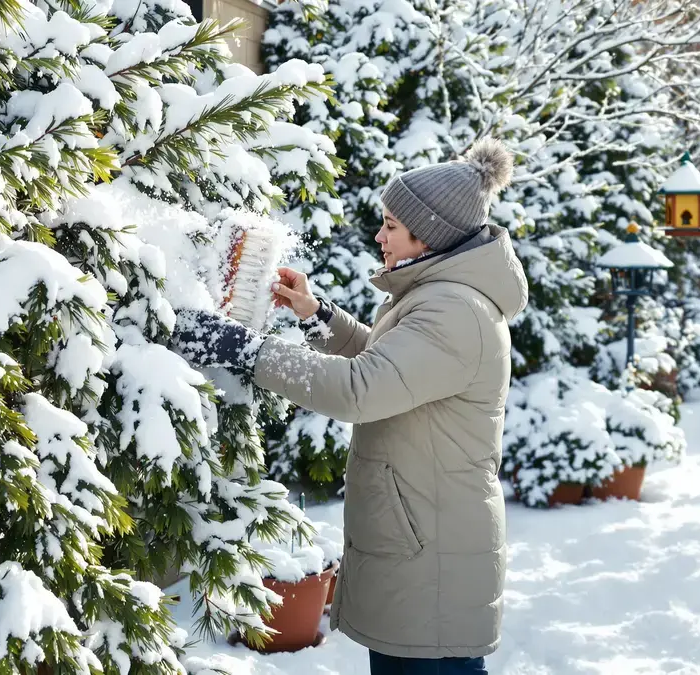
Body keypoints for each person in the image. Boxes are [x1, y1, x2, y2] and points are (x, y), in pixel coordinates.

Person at [170, 137, 529, 675]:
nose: (379, 236)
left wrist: (244, 350)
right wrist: (319, 317)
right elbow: (392, 369)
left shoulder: (453, 310)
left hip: (432, 555)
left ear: (428, 234)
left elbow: (361, 389)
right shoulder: (440, 295)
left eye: (390, 225)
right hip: (422, 539)